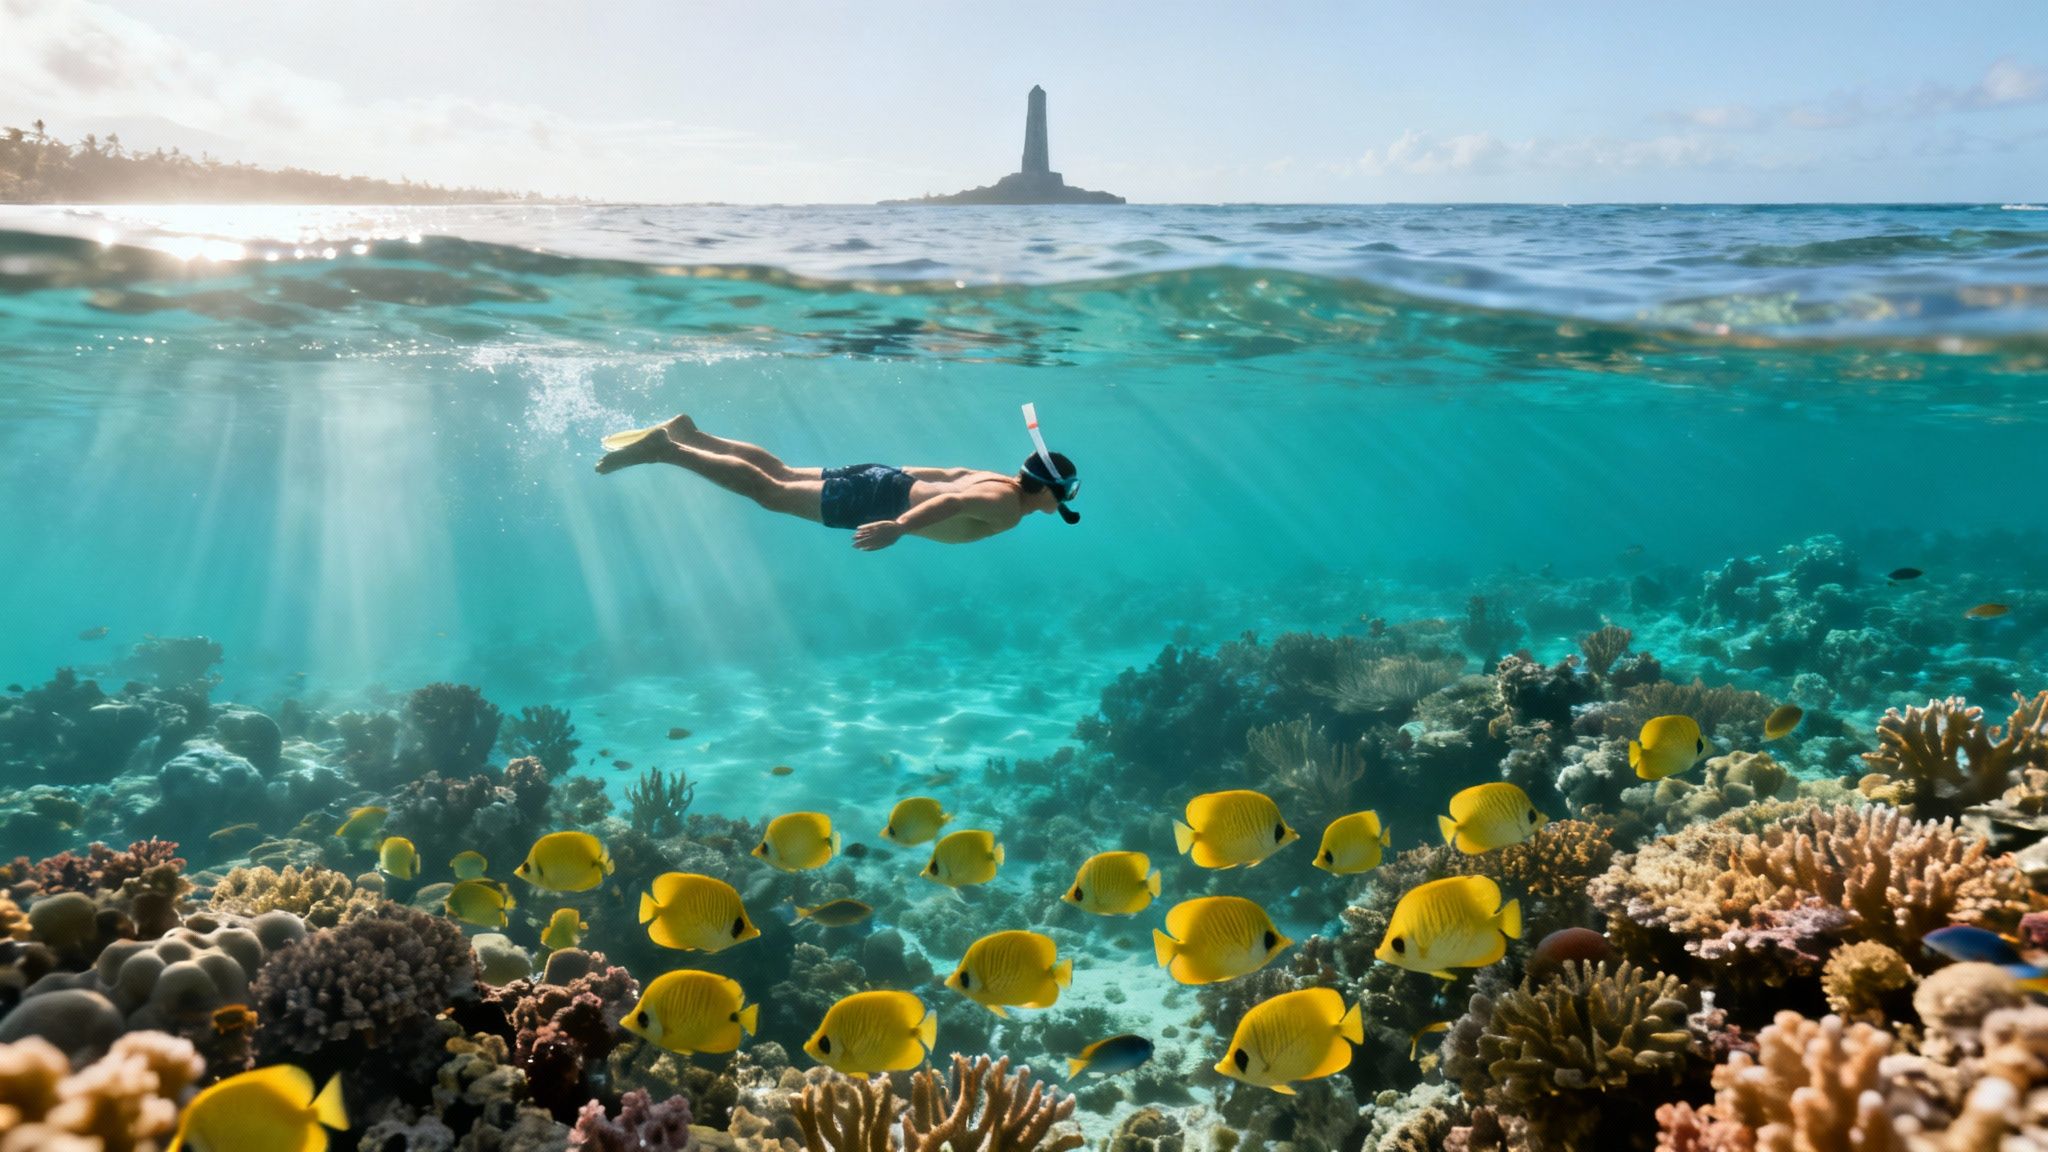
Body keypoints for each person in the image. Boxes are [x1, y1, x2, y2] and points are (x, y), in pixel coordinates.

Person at [595, 415, 1079, 550]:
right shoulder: (1007, 507)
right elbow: (951, 501)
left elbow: (943, 476)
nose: (1065, 502)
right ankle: (669, 449)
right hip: (881, 499)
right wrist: (900, 526)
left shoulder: (995, 477)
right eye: (1068, 493)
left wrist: (888, 480)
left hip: (884, 477)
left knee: (780, 471)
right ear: (1050, 489)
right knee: (771, 493)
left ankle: (692, 433)